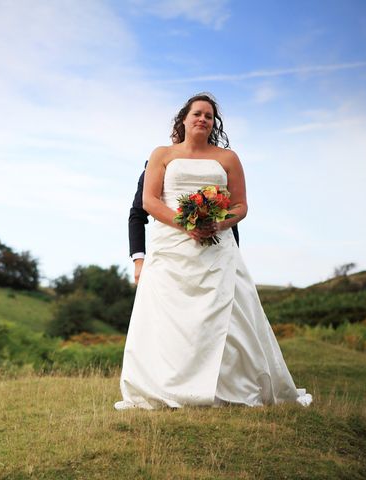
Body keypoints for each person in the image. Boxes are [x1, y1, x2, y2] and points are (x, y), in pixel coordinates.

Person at [115, 93, 311, 409]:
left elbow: (241, 205)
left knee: (231, 317)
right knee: (167, 320)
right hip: (171, 248)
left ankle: (230, 386)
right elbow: (148, 204)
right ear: (183, 119)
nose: (203, 119)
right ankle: (163, 385)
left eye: (209, 116)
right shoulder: (161, 155)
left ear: (213, 123)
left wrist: (217, 225)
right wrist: (185, 225)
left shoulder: (228, 158)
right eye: (197, 113)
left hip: (217, 247)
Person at [129, 164, 240, 284]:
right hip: (167, 259)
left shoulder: (220, 167)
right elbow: (137, 215)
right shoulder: (156, 164)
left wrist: (235, 257)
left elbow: (228, 212)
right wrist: (139, 262)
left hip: (216, 260)